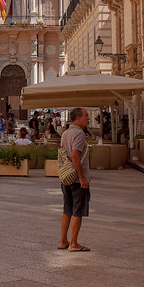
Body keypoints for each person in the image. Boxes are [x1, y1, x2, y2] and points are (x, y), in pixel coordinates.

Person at [58, 107, 91, 252]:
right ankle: (73, 243)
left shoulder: (65, 133)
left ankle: (63, 240)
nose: (88, 118)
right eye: (86, 116)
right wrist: (82, 177)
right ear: (78, 118)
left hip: (66, 177)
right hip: (77, 179)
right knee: (78, 210)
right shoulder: (79, 134)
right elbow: (75, 155)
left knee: (67, 209)